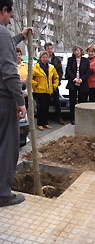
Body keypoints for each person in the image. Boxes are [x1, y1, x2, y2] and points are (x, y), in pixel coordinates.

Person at [0, 0, 32, 207]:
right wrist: (21, 102)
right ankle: (3, 194)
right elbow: (9, 71)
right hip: (4, 101)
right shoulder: (2, 33)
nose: (10, 21)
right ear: (3, 10)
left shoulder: (4, 36)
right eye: (10, 16)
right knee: (7, 147)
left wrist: (20, 36)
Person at [32, 51, 59, 130]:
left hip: (48, 91)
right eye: (43, 57)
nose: (45, 59)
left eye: (46, 57)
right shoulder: (35, 67)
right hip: (39, 91)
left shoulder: (51, 67)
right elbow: (30, 78)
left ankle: (45, 123)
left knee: (46, 107)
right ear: (40, 58)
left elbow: (56, 77)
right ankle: (40, 123)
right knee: (41, 107)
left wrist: (54, 85)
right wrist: (35, 83)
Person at [65, 46, 90, 125]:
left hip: (83, 83)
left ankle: (81, 118)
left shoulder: (85, 61)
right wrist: (74, 79)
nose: (76, 52)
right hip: (73, 83)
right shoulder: (70, 60)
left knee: (81, 101)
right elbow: (68, 70)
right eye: (75, 50)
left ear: (81, 51)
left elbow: (87, 72)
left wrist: (81, 79)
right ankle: (73, 118)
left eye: (78, 50)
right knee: (72, 101)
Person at [44, 42, 64, 125]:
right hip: (44, 85)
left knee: (57, 102)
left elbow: (60, 71)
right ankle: (44, 119)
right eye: (48, 49)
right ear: (45, 49)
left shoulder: (56, 59)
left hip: (54, 84)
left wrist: (57, 81)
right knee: (45, 102)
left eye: (51, 48)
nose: (50, 50)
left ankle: (59, 117)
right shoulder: (42, 59)